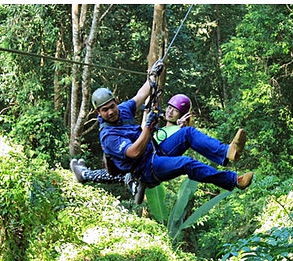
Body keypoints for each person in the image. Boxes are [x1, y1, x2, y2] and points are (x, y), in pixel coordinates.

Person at [91, 60, 253, 197]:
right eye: (105, 110)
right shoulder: (108, 136)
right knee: (186, 163)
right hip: (146, 170)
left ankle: (227, 152)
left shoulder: (123, 110)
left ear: (115, 102)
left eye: (112, 106)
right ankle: (234, 181)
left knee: (187, 133)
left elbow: (141, 94)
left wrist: (153, 75)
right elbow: (133, 152)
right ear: (98, 112)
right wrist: (148, 127)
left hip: (155, 151)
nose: (111, 112)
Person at [70, 93, 194, 202]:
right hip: (147, 158)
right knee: (119, 165)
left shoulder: (178, 131)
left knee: (119, 169)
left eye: (175, 111)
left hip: (148, 161)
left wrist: (180, 127)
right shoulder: (165, 128)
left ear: (181, 116)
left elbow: (175, 143)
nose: (170, 112)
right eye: (170, 108)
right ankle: (134, 183)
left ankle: (85, 174)